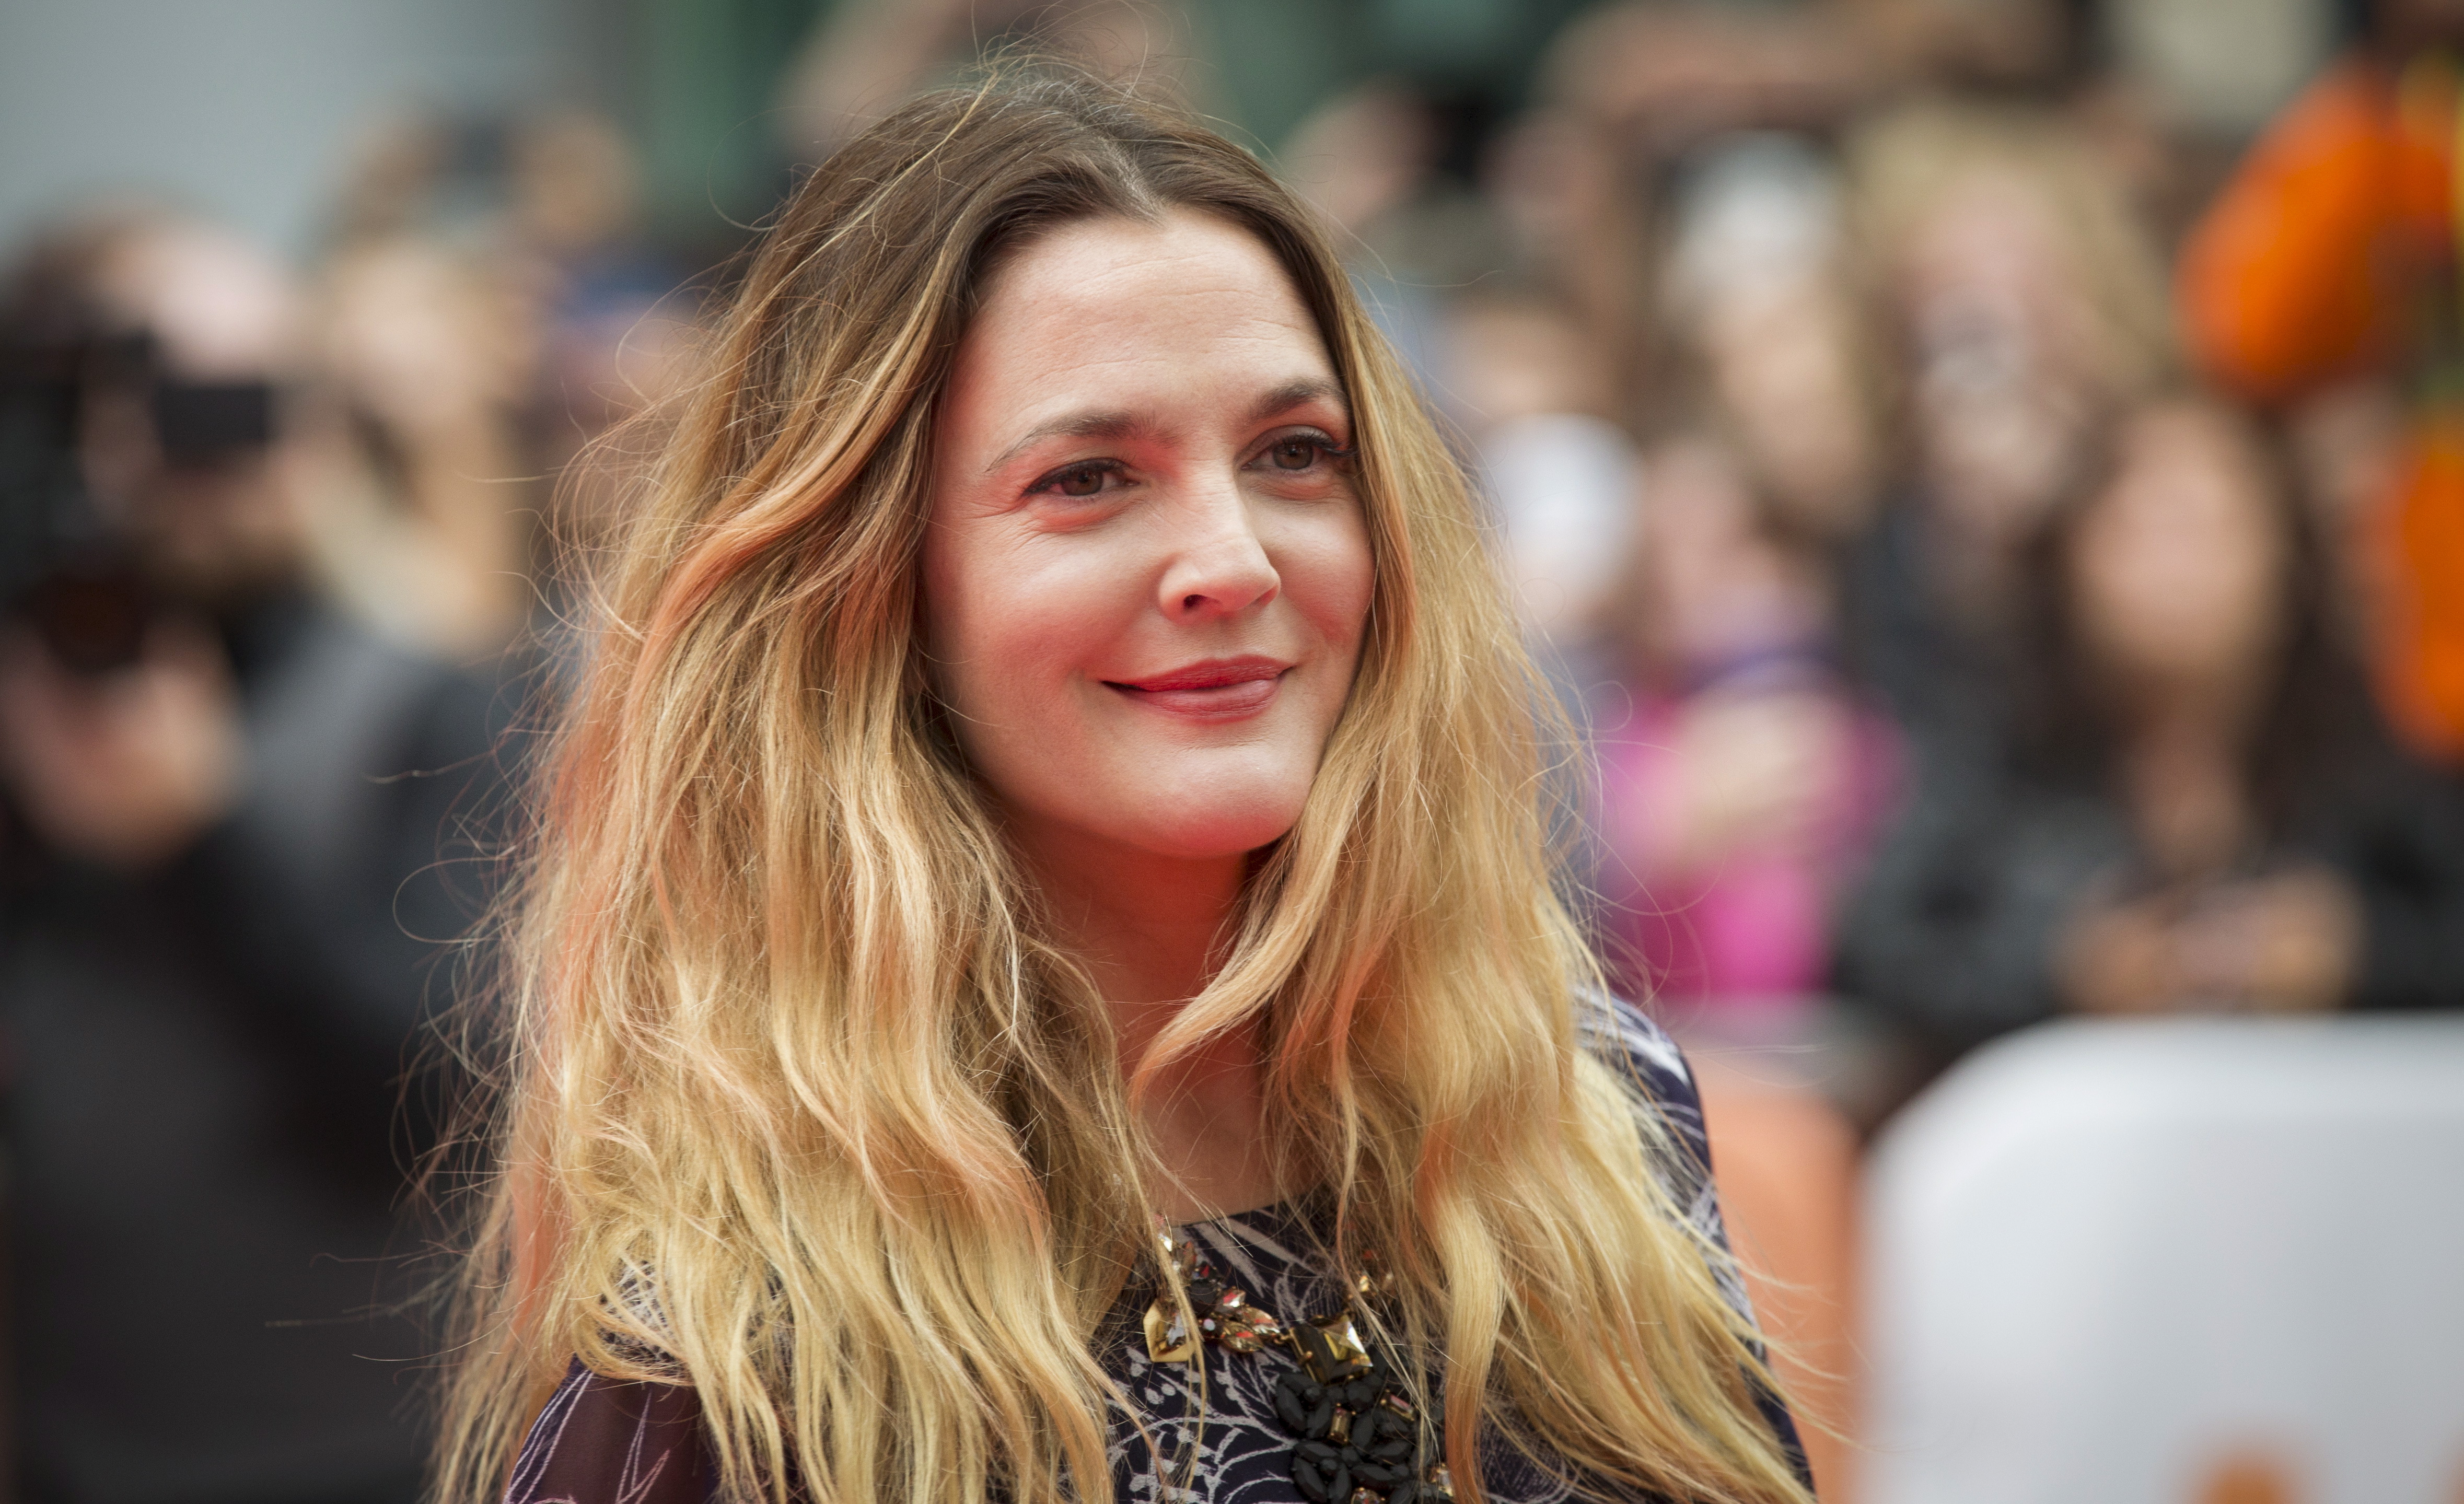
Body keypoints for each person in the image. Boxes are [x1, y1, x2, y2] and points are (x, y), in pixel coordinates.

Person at [435, 68, 1814, 1504]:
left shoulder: (1586, 1117)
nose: (1236, 558)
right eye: (1089, 477)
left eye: (1295, 453)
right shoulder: (746, 1333)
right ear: (872, 587)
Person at [0, 209, 510, 1498]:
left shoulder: (427, 706)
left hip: (362, 1460)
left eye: (264, 395)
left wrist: (196, 843)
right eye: (187, 400)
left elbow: (440, 1112)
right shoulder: (33, 697)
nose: (236, 443)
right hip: (79, 1450)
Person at [1833, 391, 2464, 1062]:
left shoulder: (2371, 751)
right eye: (2142, 526)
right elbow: (1875, 947)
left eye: (2211, 525)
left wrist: (2359, 954)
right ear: (2072, 554)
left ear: (2287, 557)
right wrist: (2057, 969)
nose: (2178, 567)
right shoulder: (2002, 740)